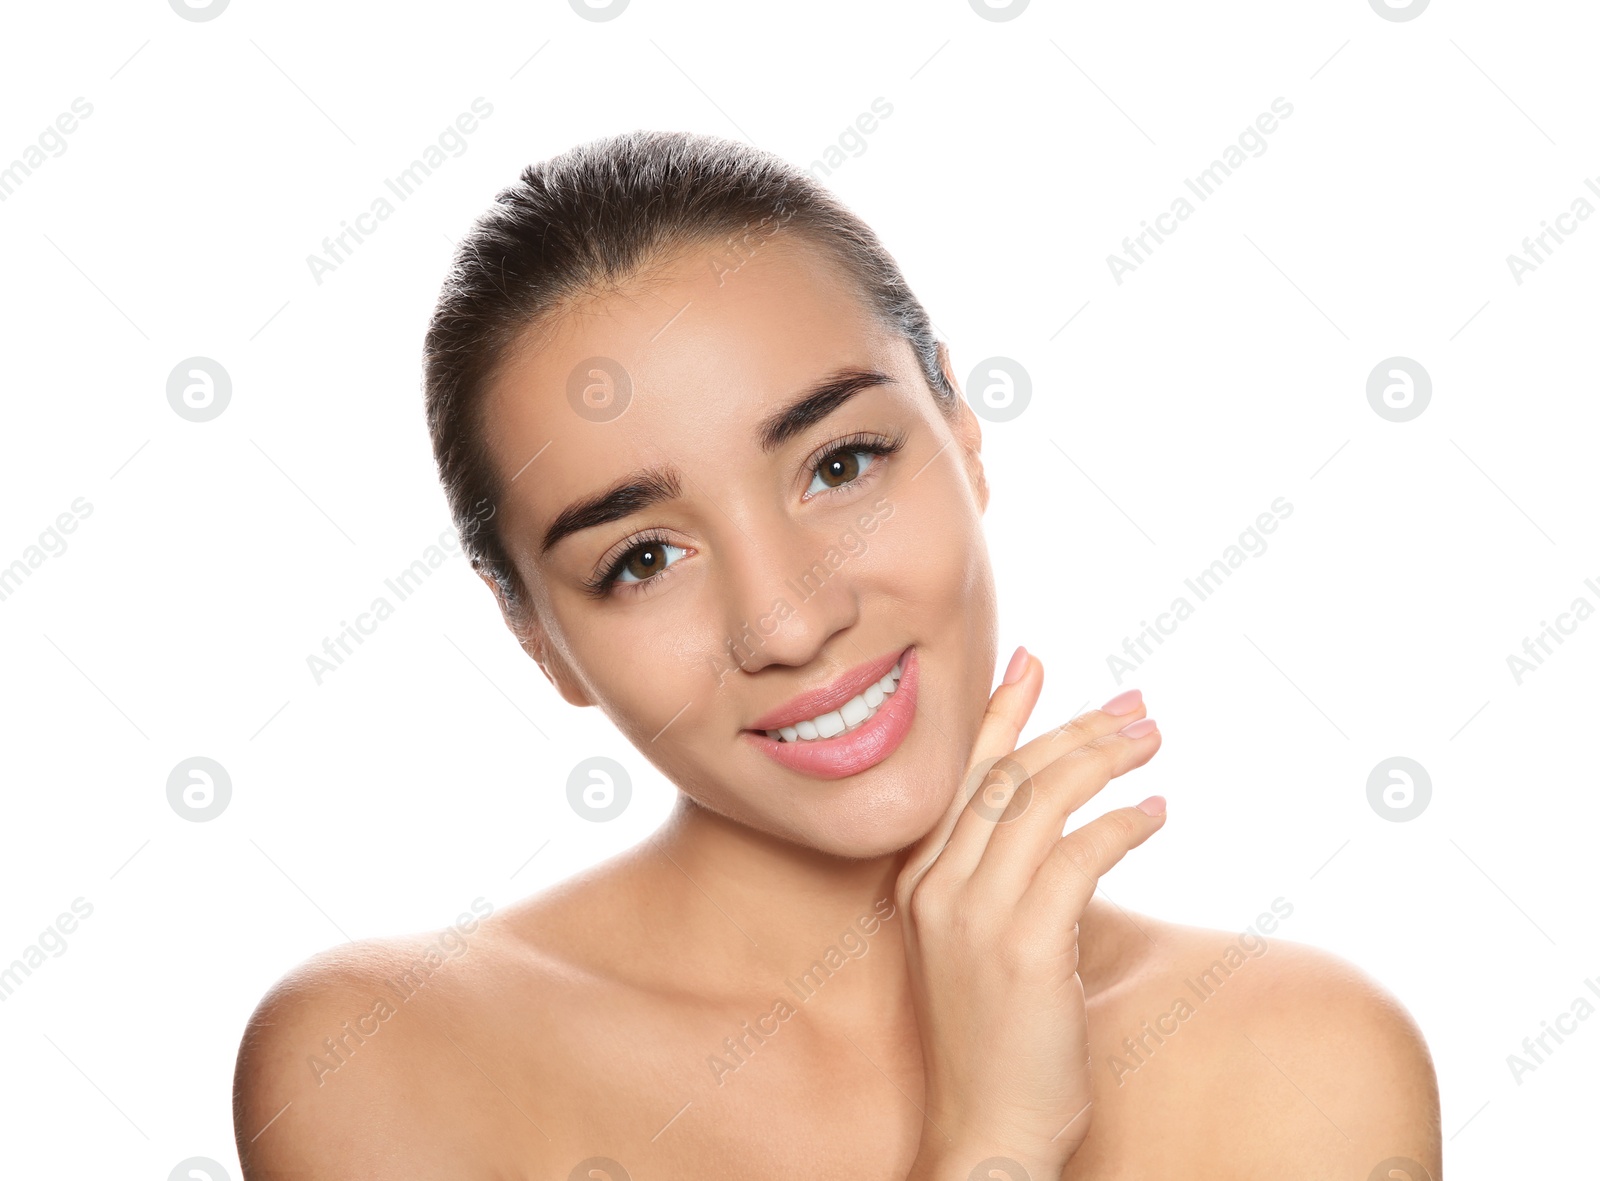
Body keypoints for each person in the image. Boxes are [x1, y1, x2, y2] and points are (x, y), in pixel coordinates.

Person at [233, 130, 1441, 1180]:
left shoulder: (1306, 1053)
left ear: (961, 434)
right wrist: (991, 1142)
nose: (789, 623)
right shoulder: (388, 1055)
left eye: (840, 464)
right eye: (642, 557)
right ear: (538, 638)